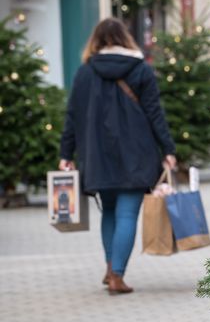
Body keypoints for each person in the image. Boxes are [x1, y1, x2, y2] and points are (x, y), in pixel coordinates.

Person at [59, 18, 177, 295]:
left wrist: (66, 153)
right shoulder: (141, 69)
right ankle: (117, 274)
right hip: (137, 155)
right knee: (126, 215)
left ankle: (111, 267)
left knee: (110, 211)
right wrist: (168, 149)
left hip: (98, 156)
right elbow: (154, 113)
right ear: (126, 38)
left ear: (96, 41)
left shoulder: (85, 72)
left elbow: (72, 117)